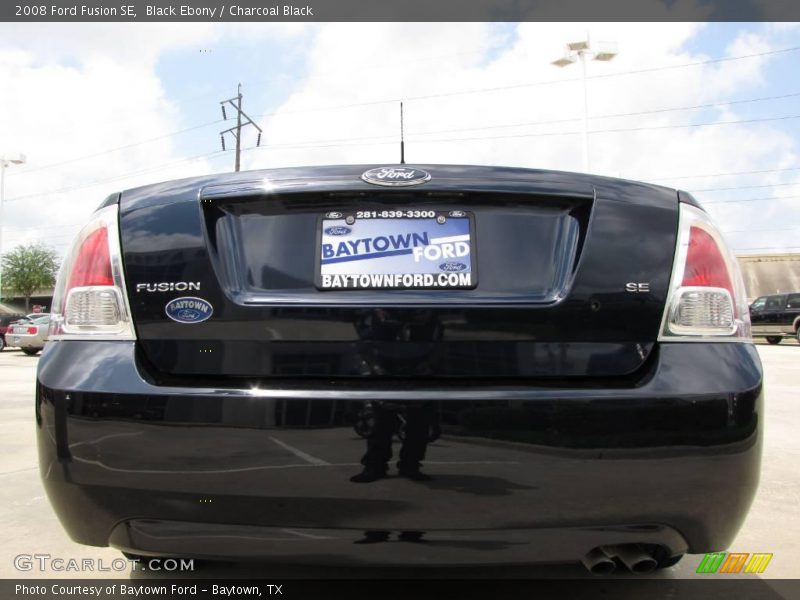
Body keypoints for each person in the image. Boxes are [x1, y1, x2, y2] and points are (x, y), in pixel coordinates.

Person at [350, 401, 436, 483]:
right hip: (389, 390)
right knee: (380, 427)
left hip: (418, 391)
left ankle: (410, 467)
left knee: (418, 429)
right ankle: (375, 467)